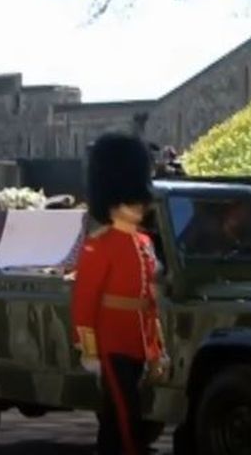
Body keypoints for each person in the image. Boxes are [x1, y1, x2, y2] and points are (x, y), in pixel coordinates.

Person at [70, 133, 167, 455]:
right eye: (132, 202)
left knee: (120, 411)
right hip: (111, 341)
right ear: (115, 204)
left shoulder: (144, 244)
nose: (139, 207)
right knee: (125, 413)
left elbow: (149, 303)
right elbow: (85, 301)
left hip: (137, 339)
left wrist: (156, 347)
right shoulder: (99, 245)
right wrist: (90, 350)